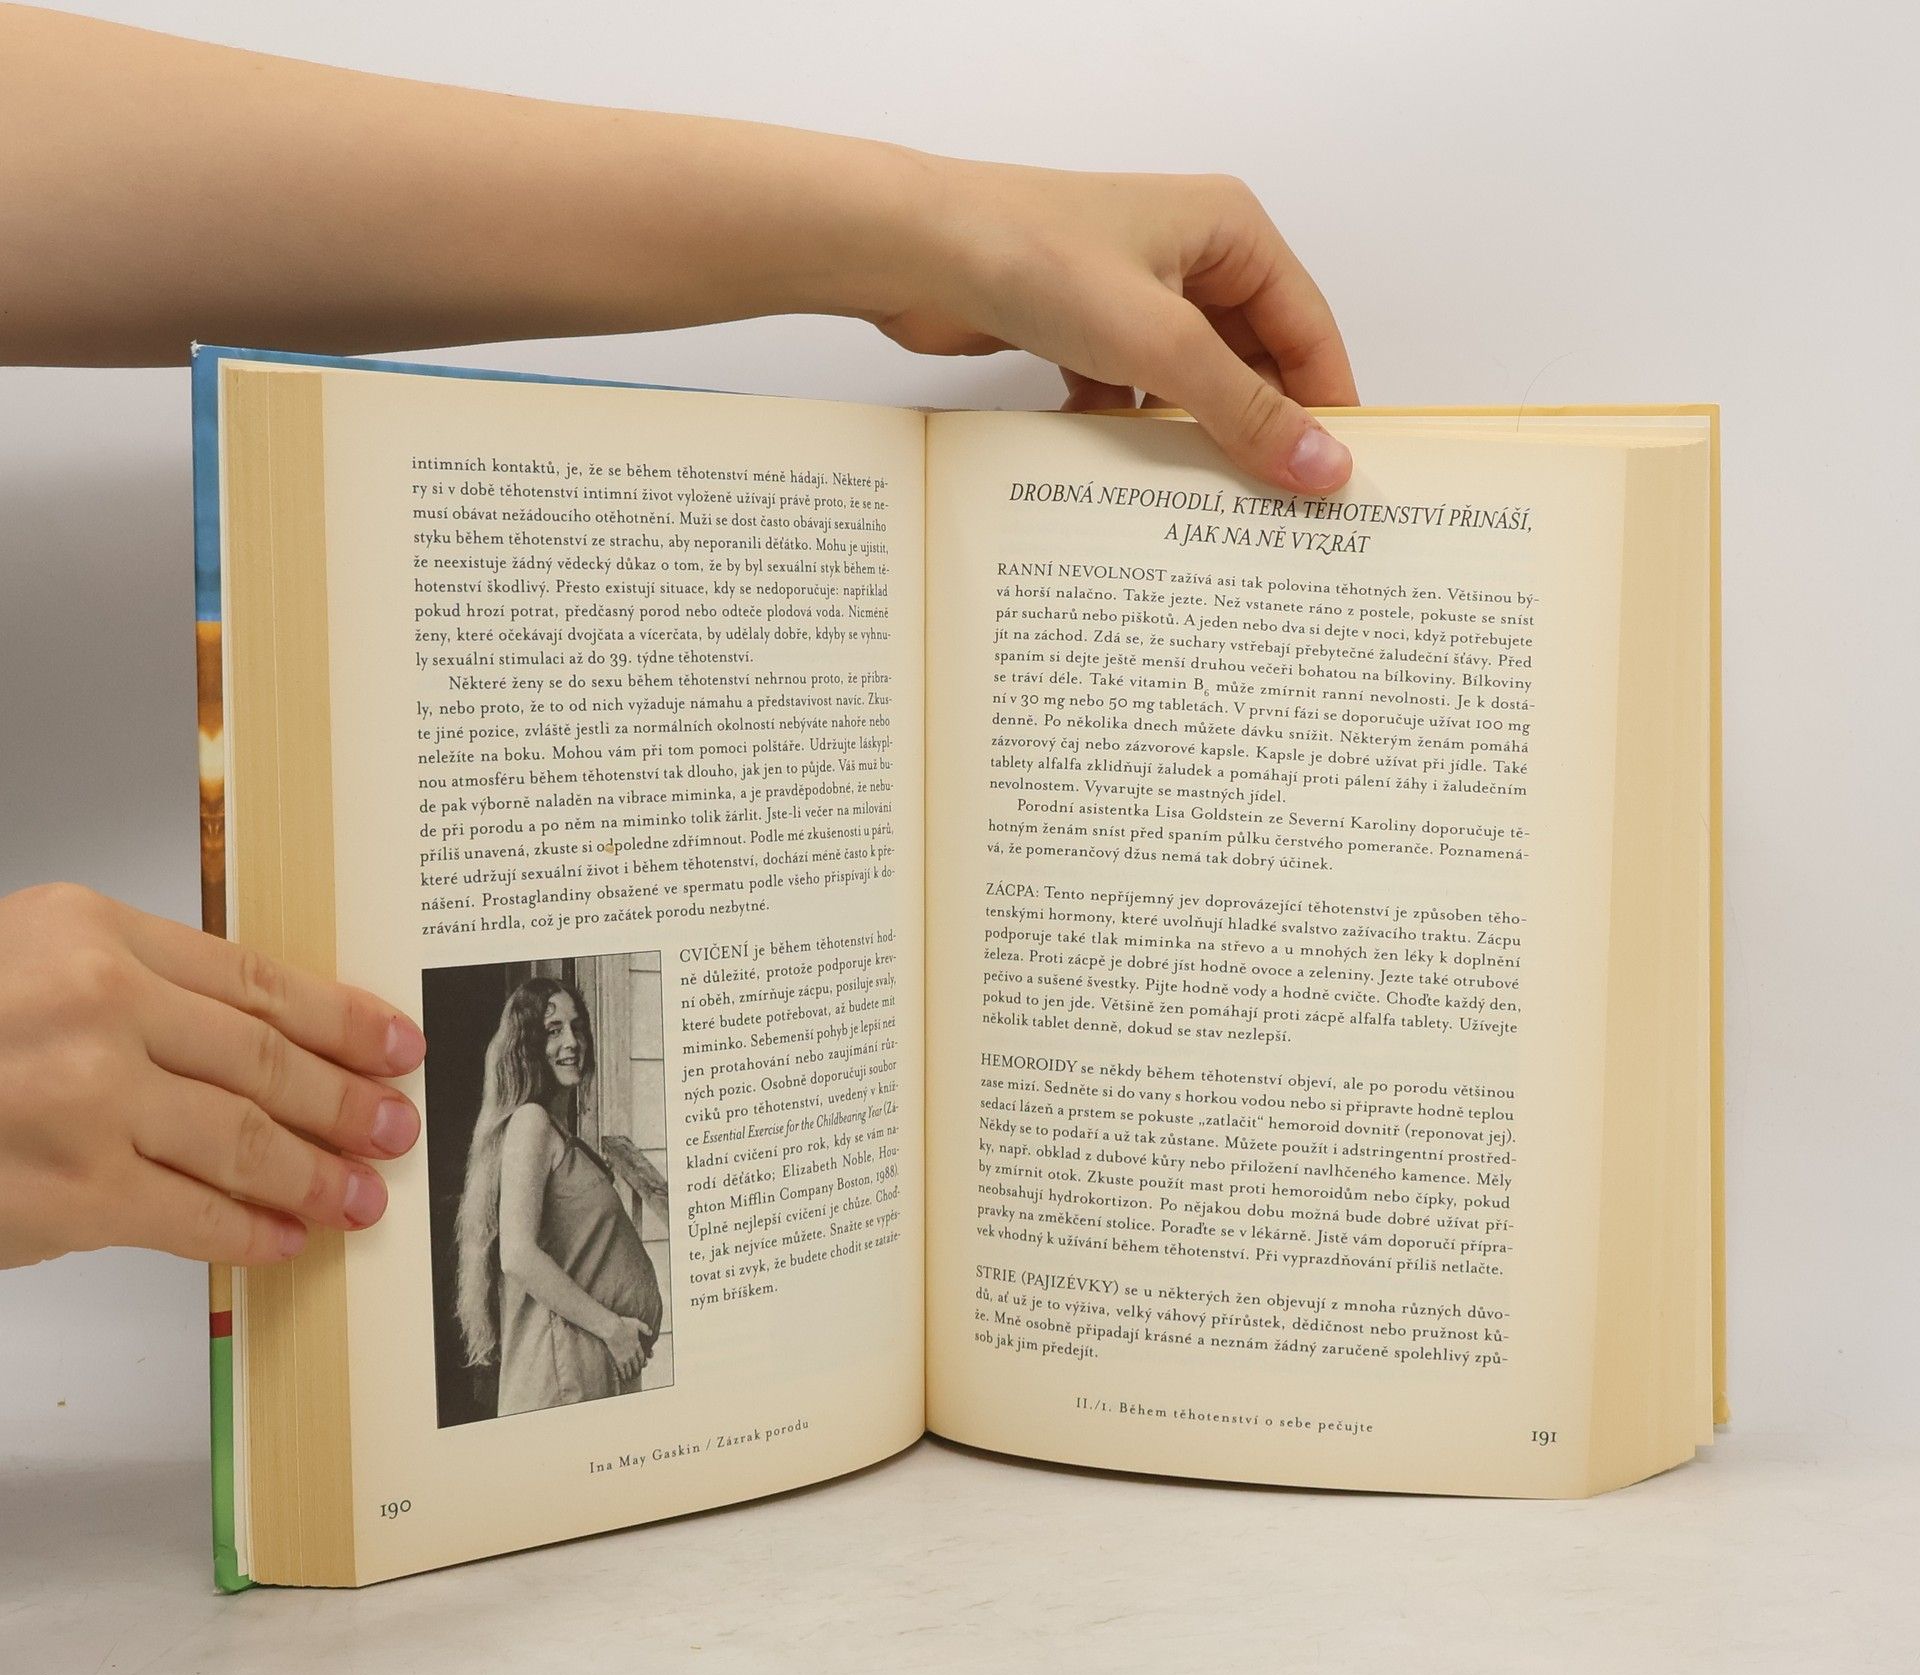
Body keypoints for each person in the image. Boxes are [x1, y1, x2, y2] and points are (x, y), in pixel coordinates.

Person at [0, 3, 1357, 1273]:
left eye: (570, 1022)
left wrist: (938, 231)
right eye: (559, 1022)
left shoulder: (587, 1129)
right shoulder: (536, 1133)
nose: (569, 1037)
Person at [454, 978, 662, 1415]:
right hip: (563, 1372)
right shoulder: (530, 1123)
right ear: (528, 1046)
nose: (572, 1042)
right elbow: (518, 1256)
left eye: (576, 1027)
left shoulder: (556, 1130)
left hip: (591, 1365)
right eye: (553, 1030)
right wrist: (612, 1328)